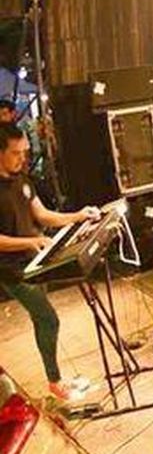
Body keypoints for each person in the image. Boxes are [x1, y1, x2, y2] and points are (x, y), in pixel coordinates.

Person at [0, 123, 98, 403]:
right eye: (16, 153)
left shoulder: (22, 179)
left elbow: (42, 215)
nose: (22, 158)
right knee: (48, 319)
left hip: (34, 260)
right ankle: (55, 383)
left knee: (41, 320)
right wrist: (29, 242)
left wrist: (77, 215)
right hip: (10, 269)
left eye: (25, 152)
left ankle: (55, 377)